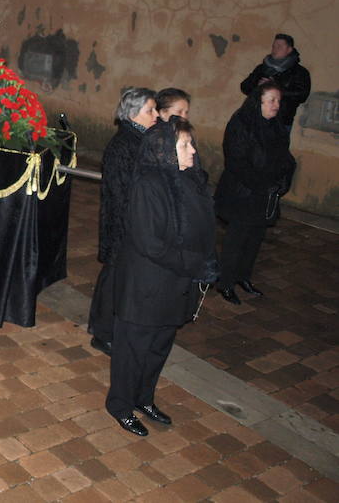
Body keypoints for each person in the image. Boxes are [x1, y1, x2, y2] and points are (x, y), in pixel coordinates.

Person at [106, 117, 217, 436]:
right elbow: (150, 242)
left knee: (158, 348)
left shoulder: (190, 181)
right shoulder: (148, 185)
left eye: (191, 144)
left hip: (175, 284)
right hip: (147, 286)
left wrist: (205, 259)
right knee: (133, 350)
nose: (192, 150)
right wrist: (194, 262)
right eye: (184, 145)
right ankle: (121, 405)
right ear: (164, 149)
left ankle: (144, 398)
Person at [88, 87, 158, 355]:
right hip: (123, 225)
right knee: (114, 280)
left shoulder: (140, 140)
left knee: (117, 279)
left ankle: (106, 328)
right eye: (150, 111)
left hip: (131, 224)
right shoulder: (123, 145)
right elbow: (123, 193)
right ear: (132, 114)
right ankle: (103, 333)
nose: (155, 115)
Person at [215, 82, 295, 305]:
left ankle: (243, 277)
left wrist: (282, 182)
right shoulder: (241, 123)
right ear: (258, 101)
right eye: (271, 100)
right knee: (236, 239)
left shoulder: (276, 126)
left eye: (278, 100)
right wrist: (261, 184)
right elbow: (236, 160)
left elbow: (285, 158)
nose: (276, 105)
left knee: (255, 239)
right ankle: (225, 283)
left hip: (265, 195)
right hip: (243, 192)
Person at [240, 33, 310, 132]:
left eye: (279, 46)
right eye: (273, 46)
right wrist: (258, 87)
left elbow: (302, 95)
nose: (275, 49)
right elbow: (244, 86)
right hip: (255, 118)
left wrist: (276, 88)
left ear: (289, 50)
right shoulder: (262, 68)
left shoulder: (299, 72)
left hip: (281, 122)